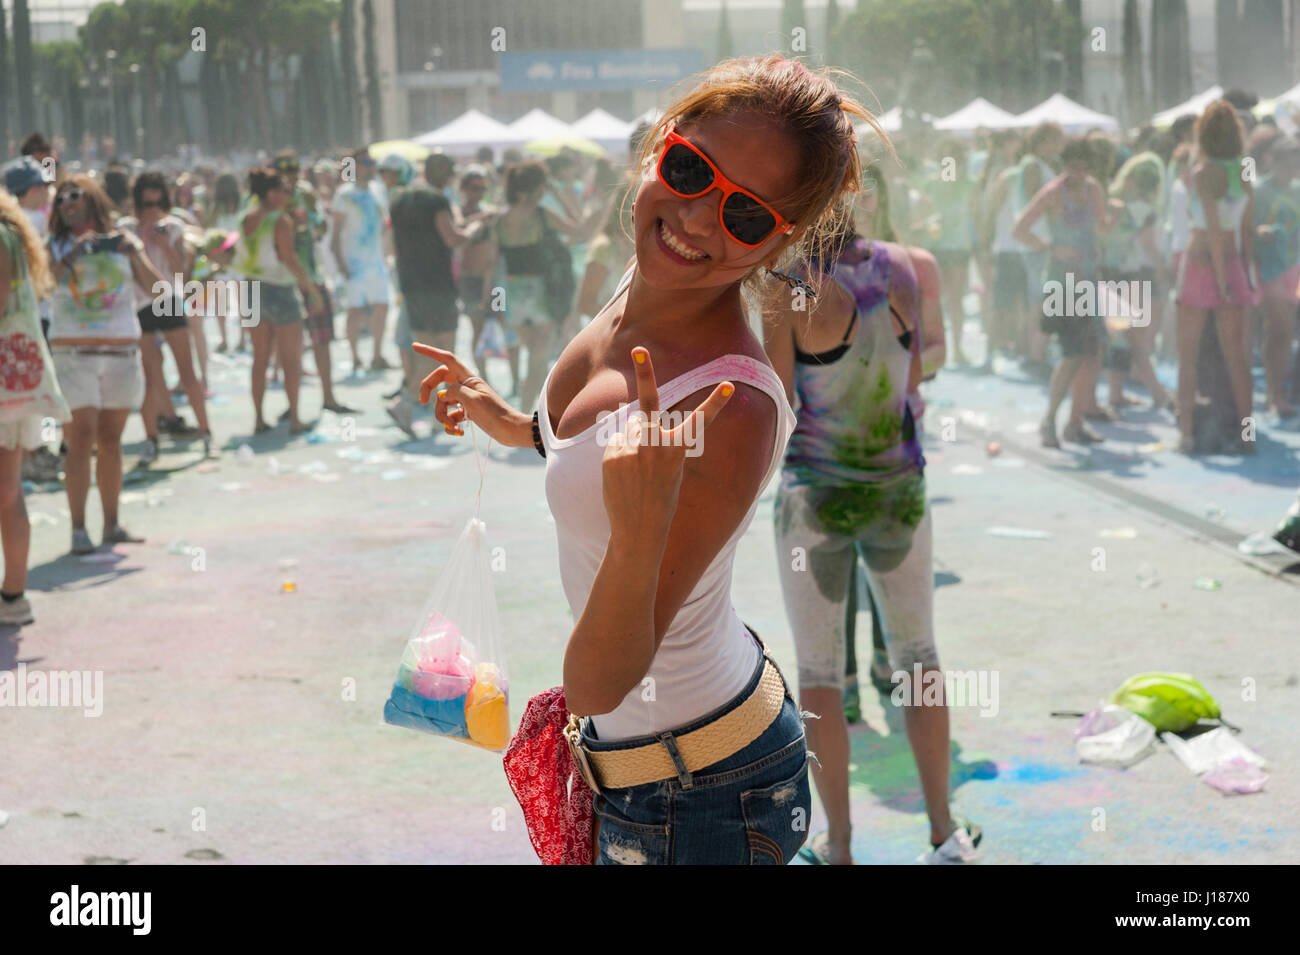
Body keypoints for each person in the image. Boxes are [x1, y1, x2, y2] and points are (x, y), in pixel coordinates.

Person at [419, 55, 873, 865]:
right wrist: (517, 423)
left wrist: (637, 534)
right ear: (661, 145)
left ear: (785, 239)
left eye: (746, 217)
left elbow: (598, 685)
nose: (699, 219)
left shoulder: (729, 408)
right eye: (691, 169)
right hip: (668, 761)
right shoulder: (643, 274)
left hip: (700, 791)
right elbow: (597, 445)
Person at [765, 196, 976, 865]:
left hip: (815, 498)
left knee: (821, 673)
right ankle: (943, 831)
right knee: (919, 658)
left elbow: (778, 398)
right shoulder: (905, 268)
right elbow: (913, 376)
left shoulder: (788, 282)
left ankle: (841, 844)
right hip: (899, 489)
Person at [47, 176, 165, 555]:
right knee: (80, 438)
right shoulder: (55, 245)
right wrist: (71, 255)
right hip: (73, 356)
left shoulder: (122, 242)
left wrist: (135, 253)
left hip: (120, 355)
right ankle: (79, 529)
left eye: (77, 197)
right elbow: (40, 286)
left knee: (112, 441)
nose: (69, 204)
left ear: (94, 202)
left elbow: (158, 291)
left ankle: (112, 524)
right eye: (62, 199)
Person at [0, 190, 70, 625]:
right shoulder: (11, 234)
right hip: (17, 375)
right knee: (9, 489)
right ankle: (14, 595)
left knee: (8, 490)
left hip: (7, 377)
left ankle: (14, 594)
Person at [385, 154, 492, 439]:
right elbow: (452, 238)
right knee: (444, 351)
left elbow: (394, 242)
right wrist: (474, 228)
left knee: (428, 350)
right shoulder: (436, 201)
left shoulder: (400, 200)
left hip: (411, 282)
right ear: (444, 174)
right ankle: (414, 406)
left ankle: (419, 409)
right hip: (438, 283)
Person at [487, 161, 608, 412]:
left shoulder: (499, 220)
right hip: (540, 294)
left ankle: (531, 414)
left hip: (510, 294)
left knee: (534, 356)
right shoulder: (542, 214)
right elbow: (582, 231)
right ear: (535, 188)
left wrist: (494, 304)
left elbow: (493, 266)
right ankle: (527, 416)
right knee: (538, 360)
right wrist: (562, 197)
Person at [1014, 137, 1110, 448]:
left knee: (1093, 354)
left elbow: (1102, 227)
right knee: (1073, 355)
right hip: (1061, 282)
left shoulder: (1093, 188)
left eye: (1083, 166)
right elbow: (1020, 228)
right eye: (1073, 166)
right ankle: (1050, 421)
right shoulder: (1054, 193)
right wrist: (1050, 247)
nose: (1079, 171)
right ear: (1065, 165)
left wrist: (1115, 221)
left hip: (1087, 281)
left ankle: (1074, 422)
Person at [1174, 101, 1256, 454]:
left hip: (1199, 265)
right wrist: (1245, 275)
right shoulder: (1245, 170)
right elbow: (1246, 230)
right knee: (1238, 358)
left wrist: (1220, 279)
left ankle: (1187, 433)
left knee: (1187, 356)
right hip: (1234, 263)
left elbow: (1208, 224)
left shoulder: (1202, 171)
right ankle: (1247, 435)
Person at [124, 171, 215, 463]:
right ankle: (152, 440)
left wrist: (163, 244)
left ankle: (207, 434)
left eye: (157, 202)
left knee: (187, 372)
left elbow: (182, 275)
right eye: (146, 203)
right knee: (149, 377)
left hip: (170, 300)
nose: (152, 209)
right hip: (140, 305)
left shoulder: (174, 227)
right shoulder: (126, 229)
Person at [234, 167, 324, 435]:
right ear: (272, 194)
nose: (288, 195)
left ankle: (259, 419)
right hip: (279, 290)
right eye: (284, 190)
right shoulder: (279, 221)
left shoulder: (245, 218)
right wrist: (311, 289)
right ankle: (295, 418)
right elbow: (288, 258)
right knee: (290, 359)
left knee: (259, 358)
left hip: (250, 289)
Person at [274, 153, 356, 416]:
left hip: (312, 273)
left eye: (293, 172)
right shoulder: (269, 199)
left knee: (321, 340)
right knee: (291, 345)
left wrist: (307, 221)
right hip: (284, 278)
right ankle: (292, 404)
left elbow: (320, 228)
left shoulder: (306, 194)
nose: (290, 178)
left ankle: (328, 397)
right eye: (284, 173)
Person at [1103, 152, 1174, 414]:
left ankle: (1116, 392)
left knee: (1120, 336)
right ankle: (1156, 393)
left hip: (1107, 273)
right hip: (1130, 275)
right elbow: (1148, 246)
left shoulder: (1112, 202)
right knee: (1134, 337)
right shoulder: (1145, 211)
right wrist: (1163, 270)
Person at [331, 147, 392, 374]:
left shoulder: (378, 190)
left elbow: (385, 225)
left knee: (382, 306)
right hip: (353, 261)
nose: (369, 166)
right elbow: (335, 233)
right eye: (364, 162)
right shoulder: (344, 194)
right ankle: (355, 356)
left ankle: (377, 354)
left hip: (376, 260)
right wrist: (340, 263)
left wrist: (387, 255)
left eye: (370, 161)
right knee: (354, 310)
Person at [1251, 136, 1300, 418]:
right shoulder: (1260, 190)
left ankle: (1276, 392)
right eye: (1292, 159)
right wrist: (1261, 232)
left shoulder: (1297, 189)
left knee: (1283, 332)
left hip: (1295, 267)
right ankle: (1273, 394)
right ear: (1276, 160)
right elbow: (1248, 227)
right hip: (1270, 268)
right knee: (1279, 328)